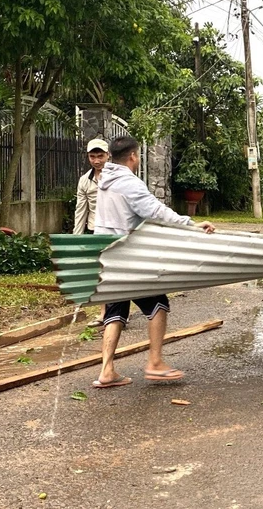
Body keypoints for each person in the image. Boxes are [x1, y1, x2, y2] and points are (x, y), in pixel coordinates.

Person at [92, 136, 216, 388]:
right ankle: (155, 362)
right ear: (133, 156)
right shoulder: (128, 183)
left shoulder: (104, 181)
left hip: (109, 257)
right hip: (129, 257)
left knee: (115, 312)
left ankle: (106, 371)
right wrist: (190, 225)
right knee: (158, 304)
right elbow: (156, 211)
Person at [74, 139, 110, 327]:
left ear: (108, 155)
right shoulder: (84, 181)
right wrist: (76, 239)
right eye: (92, 156)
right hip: (94, 230)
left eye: (100, 156)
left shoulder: (117, 177)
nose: (96, 161)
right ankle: (104, 313)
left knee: (114, 273)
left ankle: (119, 313)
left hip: (114, 231)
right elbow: (81, 210)